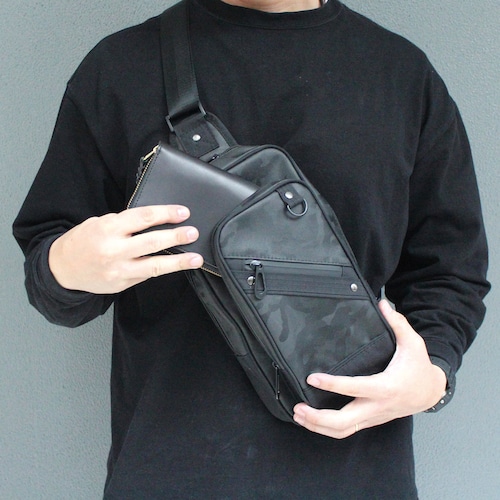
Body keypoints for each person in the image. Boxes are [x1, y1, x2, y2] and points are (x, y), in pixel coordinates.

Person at [13, 0, 489, 497]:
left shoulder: (403, 76)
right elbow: (52, 279)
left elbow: (450, 271)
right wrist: (64, 267)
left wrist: (433, 378)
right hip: (170, 477)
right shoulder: (119, 69)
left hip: (359, 477)